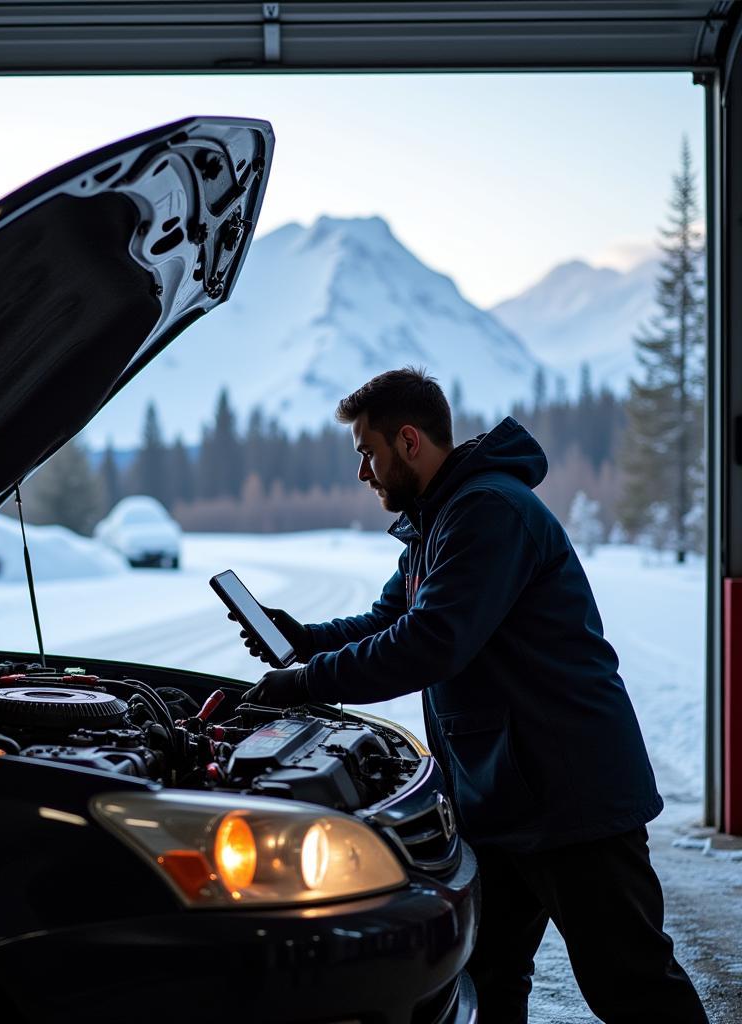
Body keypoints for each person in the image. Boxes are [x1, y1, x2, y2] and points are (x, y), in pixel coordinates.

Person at [238, 367, 707, 1024]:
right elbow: (389, 621)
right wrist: (303, 638)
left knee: (630, 982)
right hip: (505, 795)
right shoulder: (439, 520)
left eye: (367, 453)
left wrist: (305, 682)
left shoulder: (489, 511)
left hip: (571, 796)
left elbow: (430, 642)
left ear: (408, 441)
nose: (363, 474)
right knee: (483, 978)